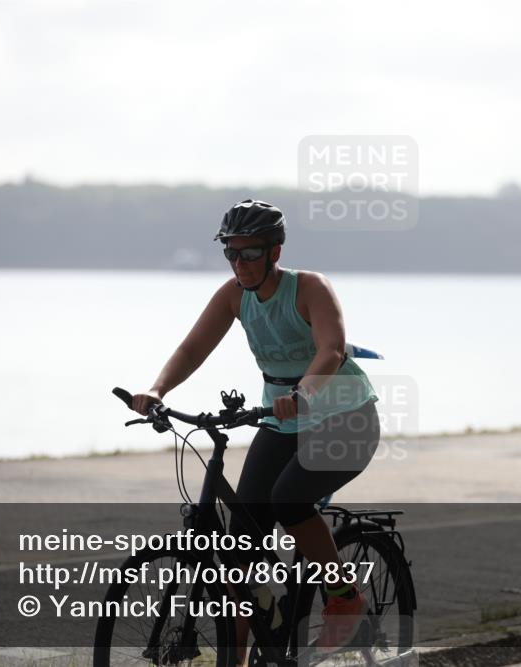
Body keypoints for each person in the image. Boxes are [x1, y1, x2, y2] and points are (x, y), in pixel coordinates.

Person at [132, 199, 380, 664]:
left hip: (346, 419)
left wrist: (304, 393)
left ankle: (344, 596)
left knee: (289, 500)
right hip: (281, 420)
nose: (239, 263)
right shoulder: (233, 295)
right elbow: (191, 350)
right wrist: (156, 389)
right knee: (239, 552)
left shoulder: (310, 288)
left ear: (275, 252)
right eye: (231, 253)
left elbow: (330, 349)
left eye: (250, 253)